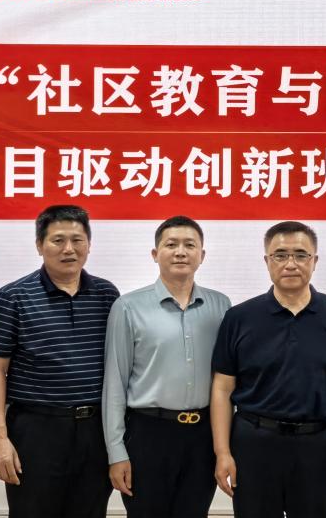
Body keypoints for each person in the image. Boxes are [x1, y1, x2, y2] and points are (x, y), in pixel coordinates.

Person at [210, 221, 326, 518]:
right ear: (267, 260)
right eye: (280, 255)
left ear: (315, 261)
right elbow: (222, 388)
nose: (291, 263)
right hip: (253, 443)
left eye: (301, 255)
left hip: (317, 444)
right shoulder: (239, 317)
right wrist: (222, 452)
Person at [0, 204, 119, 518]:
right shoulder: (14, 296)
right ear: (39, 245)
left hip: (94, 431)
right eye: (58, 240)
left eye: (77, 240)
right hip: (36, 431)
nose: (68, 249)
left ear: (89, 245)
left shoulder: (106, 294)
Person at [102, 215, 231, 518]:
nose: (180, 252)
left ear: (202, 255)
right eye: (171, 245)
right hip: (148, 434)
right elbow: (115, 384)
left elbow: (226, 382)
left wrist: (224, 447)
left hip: (202, 436)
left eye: (190, 245)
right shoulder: (128, 307)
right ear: (155, 253)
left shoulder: (221, 306)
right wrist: (116, 452)